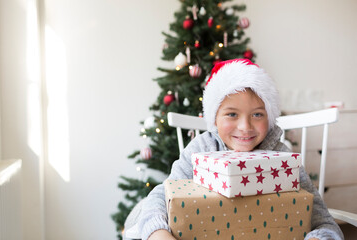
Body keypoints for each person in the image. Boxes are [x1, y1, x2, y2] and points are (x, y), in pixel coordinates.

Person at [136, 59, 344, 240]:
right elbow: (162, 196)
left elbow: (323, 220)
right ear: (214, 118)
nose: (245, 127)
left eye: (257, 115)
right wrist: (157, 232)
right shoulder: (200, 150)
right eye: (232, 114)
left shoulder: (284, 159)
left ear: (269, 117)